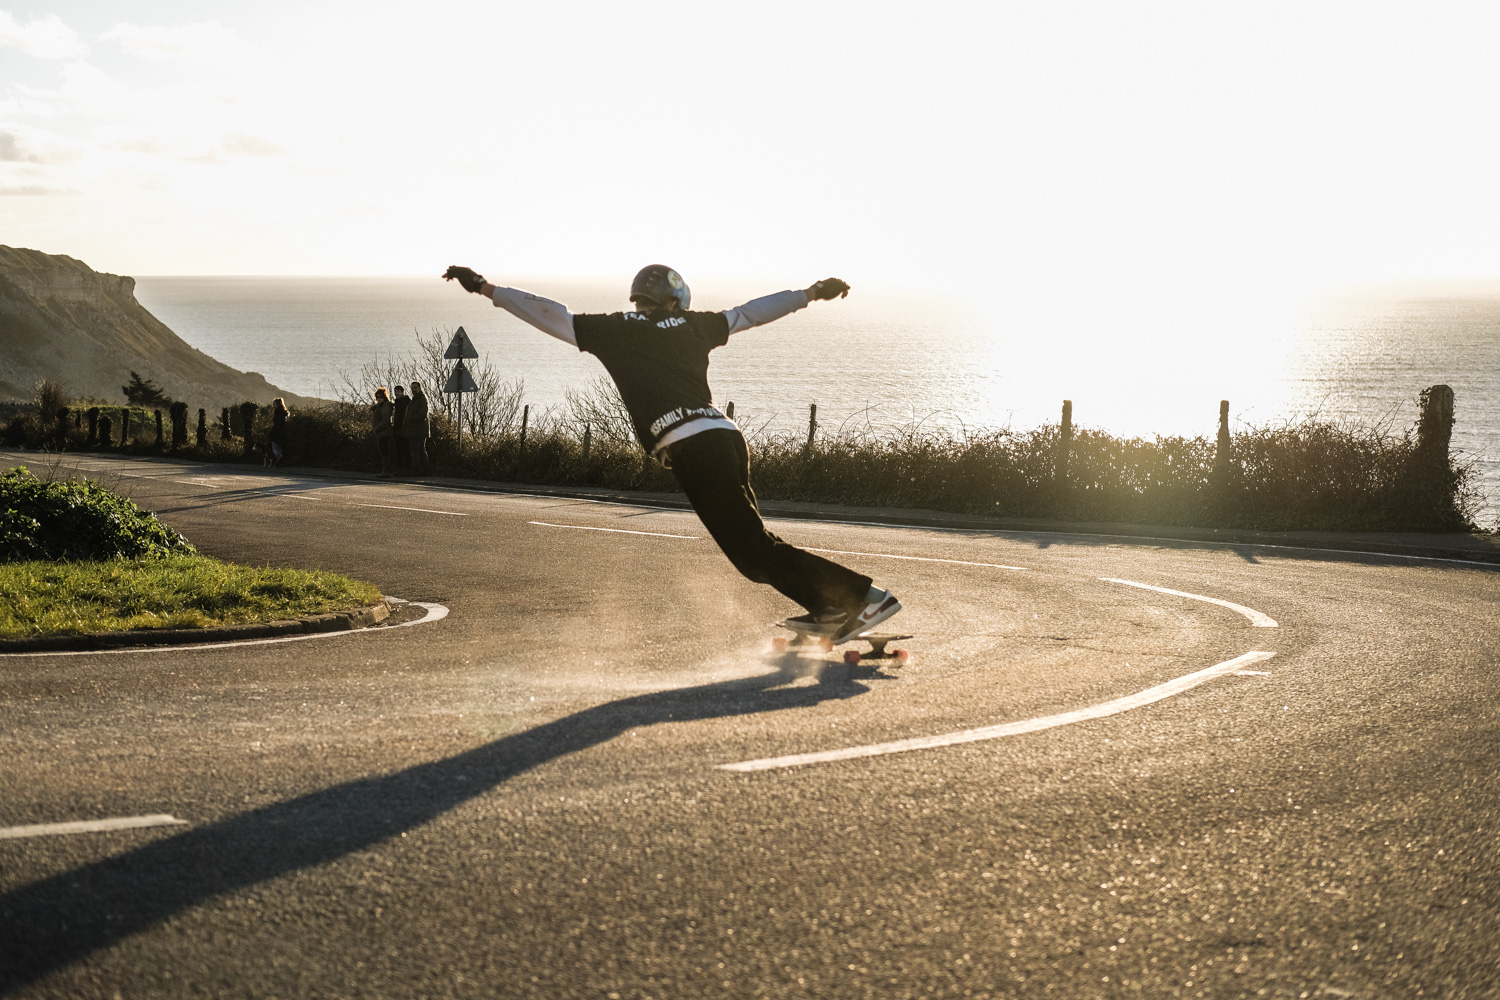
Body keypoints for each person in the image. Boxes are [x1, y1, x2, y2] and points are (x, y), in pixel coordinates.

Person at [443, 263, 901, 643]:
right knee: (757, 544)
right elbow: (750, 313)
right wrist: (810, 292)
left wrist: (486, 288)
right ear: (677, 299)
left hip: (693, 447)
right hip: (724, 437)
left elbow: (548, 313)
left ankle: (863, 598)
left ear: (637, 298)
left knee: (753, 553)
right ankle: (825, 605)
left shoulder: (614, 329)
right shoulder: (695, 323)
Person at [407, 380, 432, 474]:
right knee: (420, 449)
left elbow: (422, 415)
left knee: (417, 449)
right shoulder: (415, 399)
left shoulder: (422, 399)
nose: (413, 390)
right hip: (415, 429)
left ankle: (418, 469)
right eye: (412, 388)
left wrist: (410, 418)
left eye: (415, 388)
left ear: (420, 388)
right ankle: (424, 469)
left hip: (419, 429)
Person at [371, 387, 395, 477]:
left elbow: (386, 420)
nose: (378, 399)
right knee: (382, 451)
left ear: (384, 397)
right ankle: (384, 470)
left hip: (385, 432)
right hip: (380, 432)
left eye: (380, 397)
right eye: (377, 397)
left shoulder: (386, 406)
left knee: (385, 452)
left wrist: (377, 428)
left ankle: (387, 471)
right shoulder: (379, 406)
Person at [391, 384, 411, 473]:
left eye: (398, 391)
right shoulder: (398, 402)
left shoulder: (405, 402)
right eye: (395, 392)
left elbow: (402, 417)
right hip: (398, 429)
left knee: (404, 449)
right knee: (400, 449)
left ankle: (405, 468)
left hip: (403, 429)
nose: (396, 393)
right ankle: (401, 468)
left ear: (402, 392)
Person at [267, 397, 290, 467]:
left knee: (274, 447)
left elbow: (276, 423)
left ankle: (279, 458)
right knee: (279, 447)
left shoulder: (277, 412)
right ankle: (280, 460)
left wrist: (271, 432)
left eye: (274, 404)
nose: (273, 406)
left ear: (278, 405)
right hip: (282, 431)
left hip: (276, 431)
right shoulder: (284, 412)